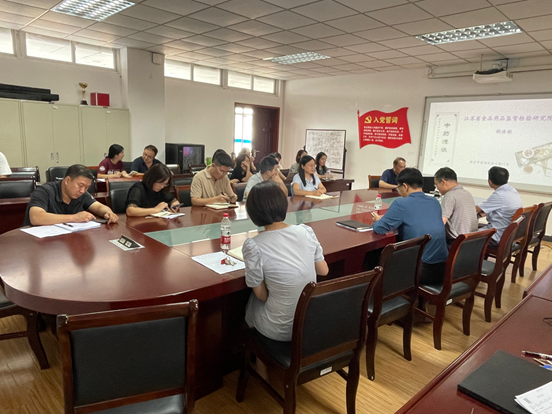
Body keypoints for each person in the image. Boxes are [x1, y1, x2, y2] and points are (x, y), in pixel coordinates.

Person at [243, 180, 329, 341]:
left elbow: (261, 295)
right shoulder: (305, 231)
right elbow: (323, 270)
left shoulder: (253, 245)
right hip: (307, 322)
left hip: (278, 329)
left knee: (249, 302)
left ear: (253, 213)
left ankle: (250, 352)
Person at [372, 168, 448, 284]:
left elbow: (379, 228)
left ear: (405, 186)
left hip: (418, 270)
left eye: (399, 188)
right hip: (442, 268)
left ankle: (379, 290)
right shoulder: (434, 202)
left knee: (374, 256)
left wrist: (378, 220)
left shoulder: (400, 203)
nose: (399, 192)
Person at [23, 164, 118, 226]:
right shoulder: (44, 191)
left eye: (86, 187)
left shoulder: (82, 194)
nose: (82, 191)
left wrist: (108, 212)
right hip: (37, 242)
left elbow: (98, 207)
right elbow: (36, 217)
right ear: (67, 180)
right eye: (80, 185)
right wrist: (74, 218)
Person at [476, 166, 522, 248]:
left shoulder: (499, 195)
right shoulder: (512, 190)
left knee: (463, 238)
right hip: (508, 233)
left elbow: (478, 209)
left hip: (498, 236)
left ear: (489, 182)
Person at [434, 167, 478, 246]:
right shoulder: (467, 193)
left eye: (436, 184)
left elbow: (441, 222)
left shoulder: (450, 196)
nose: (437, 188)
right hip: (471, 242)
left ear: (443, 182)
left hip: (456, 242)